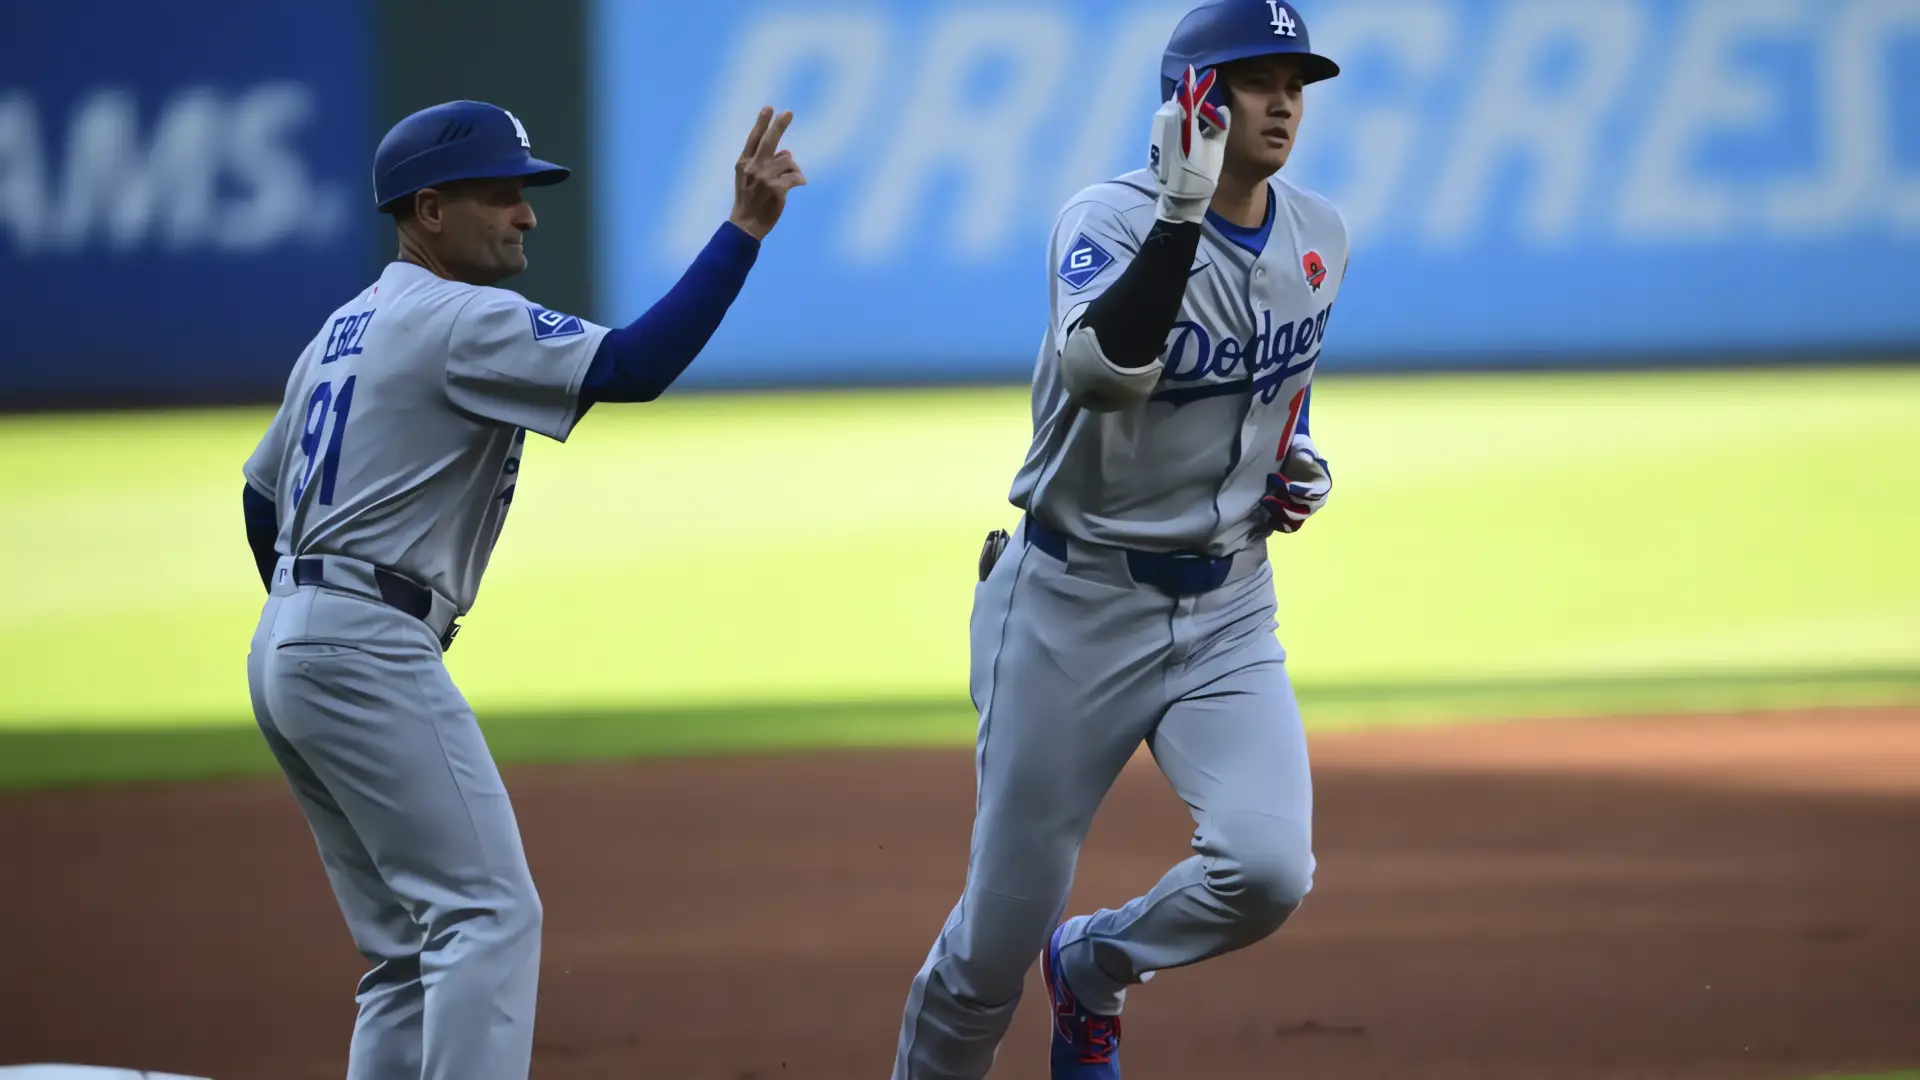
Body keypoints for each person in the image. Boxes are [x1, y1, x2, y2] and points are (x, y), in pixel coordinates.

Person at [239, 99, 804, 1080]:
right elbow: (633, 366)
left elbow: (258, 494)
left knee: (407, 954)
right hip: (361, 644)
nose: (527, 214)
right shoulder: (455, 315)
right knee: (488, 915)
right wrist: (742, 232)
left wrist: (305, 616)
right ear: (428, 210)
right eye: (502, 195)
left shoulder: (344, 327)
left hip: (290, 642)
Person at [888, 2, 1348, 1076]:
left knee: (1268, 867)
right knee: (986, 958)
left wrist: (1299, 461)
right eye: (1253, 77)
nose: (1281, 99)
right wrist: (1181, 210)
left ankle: (1093, 966)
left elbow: (1277, 392)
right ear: (1192, 98)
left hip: (1230, 606)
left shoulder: (1318, 233)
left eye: (1295, 78)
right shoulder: (1102, 218)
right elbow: (1104, 371)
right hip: (1070, 608)